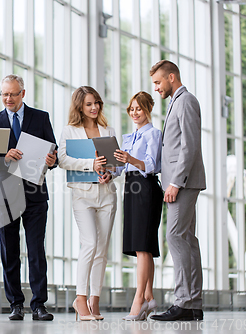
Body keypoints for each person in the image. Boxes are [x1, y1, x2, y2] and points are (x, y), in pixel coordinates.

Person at [0, 74, 57, 321]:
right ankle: (16, 304)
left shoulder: (41, 117)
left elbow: (53, 151)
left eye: (13, 94)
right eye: (4, 94)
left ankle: (39, 305)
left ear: (23, 94)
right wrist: (5, 157)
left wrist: (52, 159)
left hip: (35, 193)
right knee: (9, 251)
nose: (8, 98)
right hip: (5, 193)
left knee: (36, 250)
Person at [149, 60, 206, 321]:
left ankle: (183, 302)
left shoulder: (185, 101)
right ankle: (193, 304)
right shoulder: (177, 101)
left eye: (158, 82)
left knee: (174, 236)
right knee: (186, 240)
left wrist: (175, 183)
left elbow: (189, 146)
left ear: (172, 77)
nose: (157, 88)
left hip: (182, 182)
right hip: (181, 181)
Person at [57, 86, 116, 321]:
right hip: (82, 194)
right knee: (89, 243)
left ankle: (95, 300)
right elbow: (62, 160)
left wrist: (111, 172)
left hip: (107, 194)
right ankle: (80, 298)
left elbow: (116, 162)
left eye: (97, 103)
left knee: (102, 250)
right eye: (89, 104)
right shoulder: (69, 131)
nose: (94, 108)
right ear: (80, 106)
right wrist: (90, 165)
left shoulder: (108, 130)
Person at [111, 91, 163, 321]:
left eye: (138, 108)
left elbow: (151, 165)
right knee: (142, 246)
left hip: (146, 187)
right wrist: (109, 171)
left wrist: (129, 159)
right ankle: (149, 296)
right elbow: (120, 169)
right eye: (131, 109)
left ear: (148, 109)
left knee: (143, 246)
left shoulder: (153, 134)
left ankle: (139, 298)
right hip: (130, 188)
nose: (134, 113)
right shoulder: (128, 137)